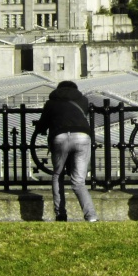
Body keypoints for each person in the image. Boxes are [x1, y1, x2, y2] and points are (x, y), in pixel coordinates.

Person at [34, 80, 98, 222]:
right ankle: (91, 216)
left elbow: (42, 124)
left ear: (58, 90)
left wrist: (42, 128)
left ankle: (60, 214)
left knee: (57, 175)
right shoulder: (83, 100)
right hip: (82, 136)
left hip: (59, 136)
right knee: (78, 182)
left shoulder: (51, 102)